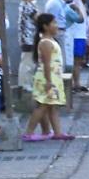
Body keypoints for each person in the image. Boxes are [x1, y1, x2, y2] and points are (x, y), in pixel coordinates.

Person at [25, 10, 69, 143]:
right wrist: (49, 81)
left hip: (53, 77)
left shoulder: (50, 41)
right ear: (45, 26)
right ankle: (29, 132)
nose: (56, 25)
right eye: (53, 23)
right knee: (42, 105)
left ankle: (57, 132)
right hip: (47, 77)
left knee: (52, 106)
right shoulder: (45, 42)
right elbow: (46, 63)